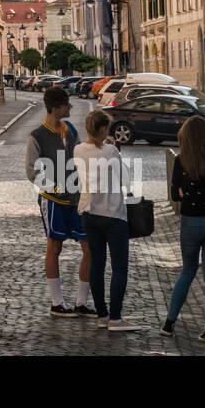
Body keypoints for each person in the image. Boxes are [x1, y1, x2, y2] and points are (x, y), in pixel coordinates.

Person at [24, 86, 94, 317]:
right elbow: (33, 172)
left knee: (89, 247)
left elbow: (81, 156)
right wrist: (55, 188)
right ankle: (57, 302)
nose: (70, 108)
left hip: (77, 199)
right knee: (55, 247)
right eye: (66, 105)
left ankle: (82, 302)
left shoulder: (71, 129)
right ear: (56, 108)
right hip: (53, 201)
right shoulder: (37, 136)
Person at [161, 115, 205, 343]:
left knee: (188, 271)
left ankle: (169, 324)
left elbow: (174, 195)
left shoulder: (181, 161)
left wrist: (185, 192)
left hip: (192, 221)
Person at [74, 109, 138, 331]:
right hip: (112, 214)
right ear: (103, 129)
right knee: (119, 267)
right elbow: (123, 177)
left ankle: (102, 315)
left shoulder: (78, 150)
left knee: (97, 265)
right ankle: (116, 318)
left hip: (89, 214)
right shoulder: (111, 150)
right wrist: (113, 147)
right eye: (107, 129)